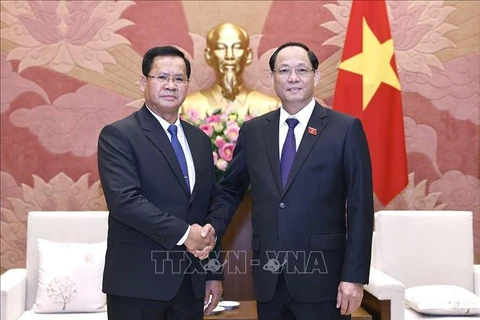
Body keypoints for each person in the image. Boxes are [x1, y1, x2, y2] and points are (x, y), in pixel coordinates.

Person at [204, 42, 374, 319]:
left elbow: (360, 207)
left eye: (301, 70)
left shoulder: (345, 129)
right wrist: (210, 228)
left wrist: (354, 277)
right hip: (269, 279)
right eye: (283, 70)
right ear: (272, 78)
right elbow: (230, 190)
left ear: (316, 76)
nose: (292, 78)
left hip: (324, 280)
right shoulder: (254, 131)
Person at [97, 46, 222, 319]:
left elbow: (207, 206)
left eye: (179, 79)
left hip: (190, 284)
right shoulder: (119, 135)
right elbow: (125, 202)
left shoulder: (199, 140)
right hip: (137, 286)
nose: (170, 85)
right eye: (161, 77)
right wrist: (184, 234)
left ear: (187, 85)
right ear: (144, 82)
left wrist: (213, 272)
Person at [181, 23, 279, 119]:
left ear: (248, 55)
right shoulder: (187, 107)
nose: (229, 56)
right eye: (221, 48)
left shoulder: (270, 107)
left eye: (237, 47)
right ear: (208, 55)